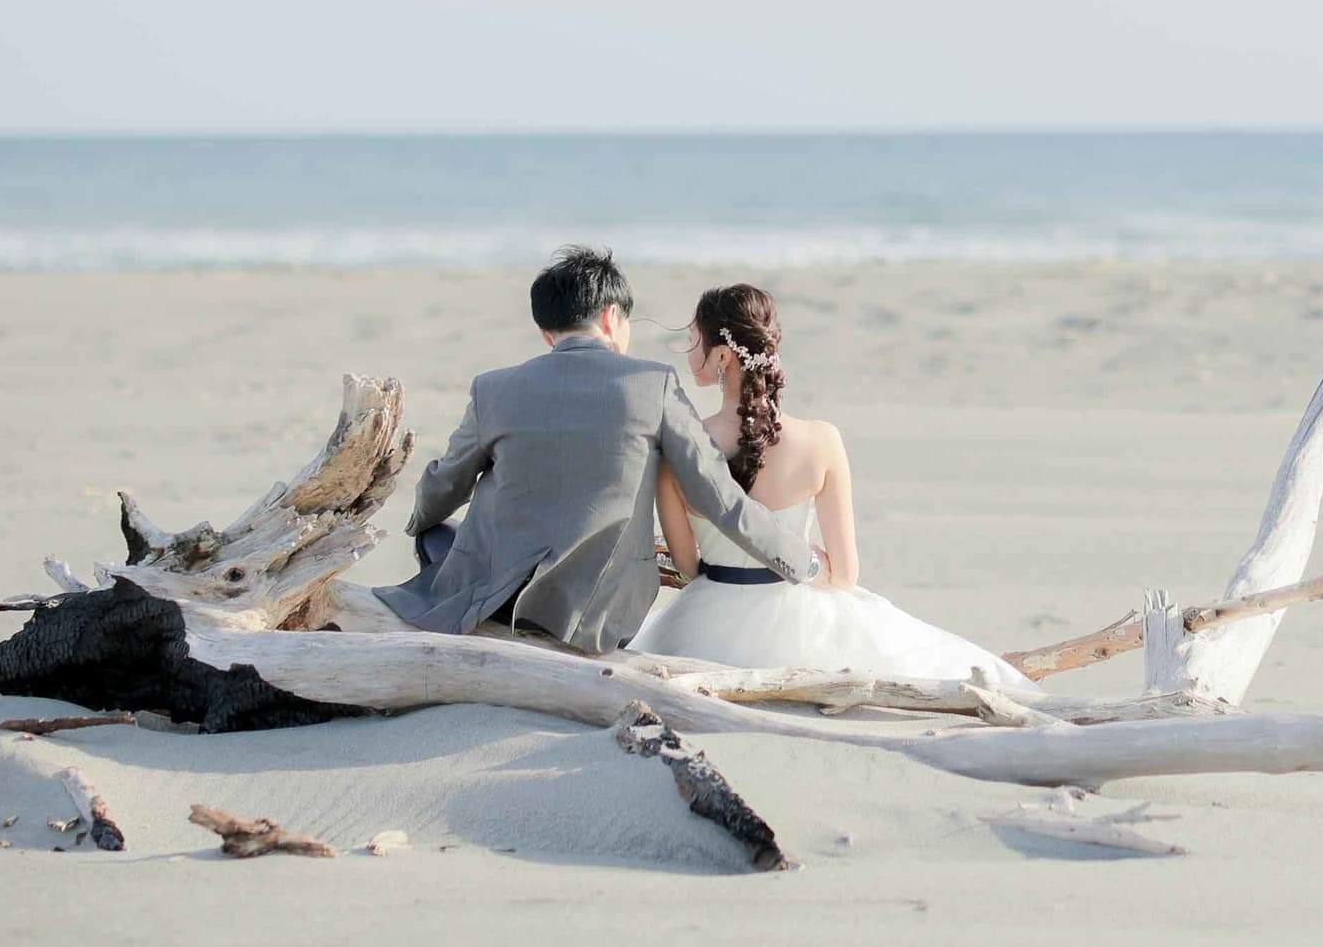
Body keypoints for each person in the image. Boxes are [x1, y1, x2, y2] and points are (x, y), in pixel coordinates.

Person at [375, 247, 823, 652]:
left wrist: (421, 522)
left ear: (547, 332)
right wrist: (797, 561)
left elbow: (445, 484)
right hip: (598, 617)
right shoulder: (654, 384)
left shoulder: (493, 388)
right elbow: (719, 498)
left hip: (496, 601)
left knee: (437, 533)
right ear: (612, 317)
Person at [629, 283, 1033, 688]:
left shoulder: (681, 451)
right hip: (801, 624)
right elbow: (844, 575)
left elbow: (686, 565)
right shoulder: (822, 440)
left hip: (705, 627)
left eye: (693, 340)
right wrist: (805, 567)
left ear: (722, 355)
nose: (687, 351)